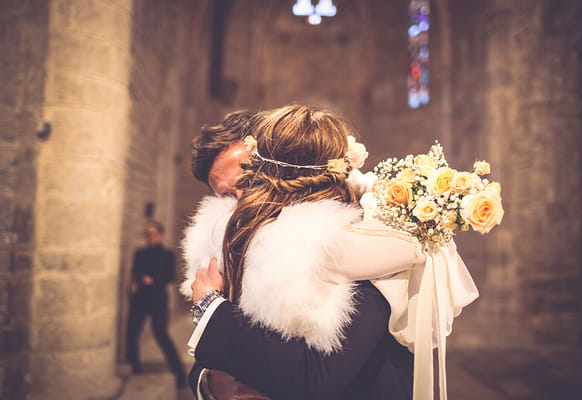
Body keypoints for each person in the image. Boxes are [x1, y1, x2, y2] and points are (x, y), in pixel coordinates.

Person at [182, 105, 427, 399]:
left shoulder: (357, 240)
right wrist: (208, 381)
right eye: (225, 196)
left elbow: (318, 378)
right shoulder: (241, 240)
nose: (240, 202)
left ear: (280, 164)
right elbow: (222, 351)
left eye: (247, 183)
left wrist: (208, 305)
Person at [125, 221, 186, 387]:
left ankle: (179, 373)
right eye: (147, 234)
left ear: (160, 235)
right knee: (131, 333)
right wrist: (138, 281)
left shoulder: (167, 254)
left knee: (160, 333)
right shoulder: (140, 253)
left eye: (152, 233)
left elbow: (170, 277)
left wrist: (152, 280)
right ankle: (135, 369)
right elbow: (134, 273)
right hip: (141, 297)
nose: (149, 237)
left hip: (158, 297)